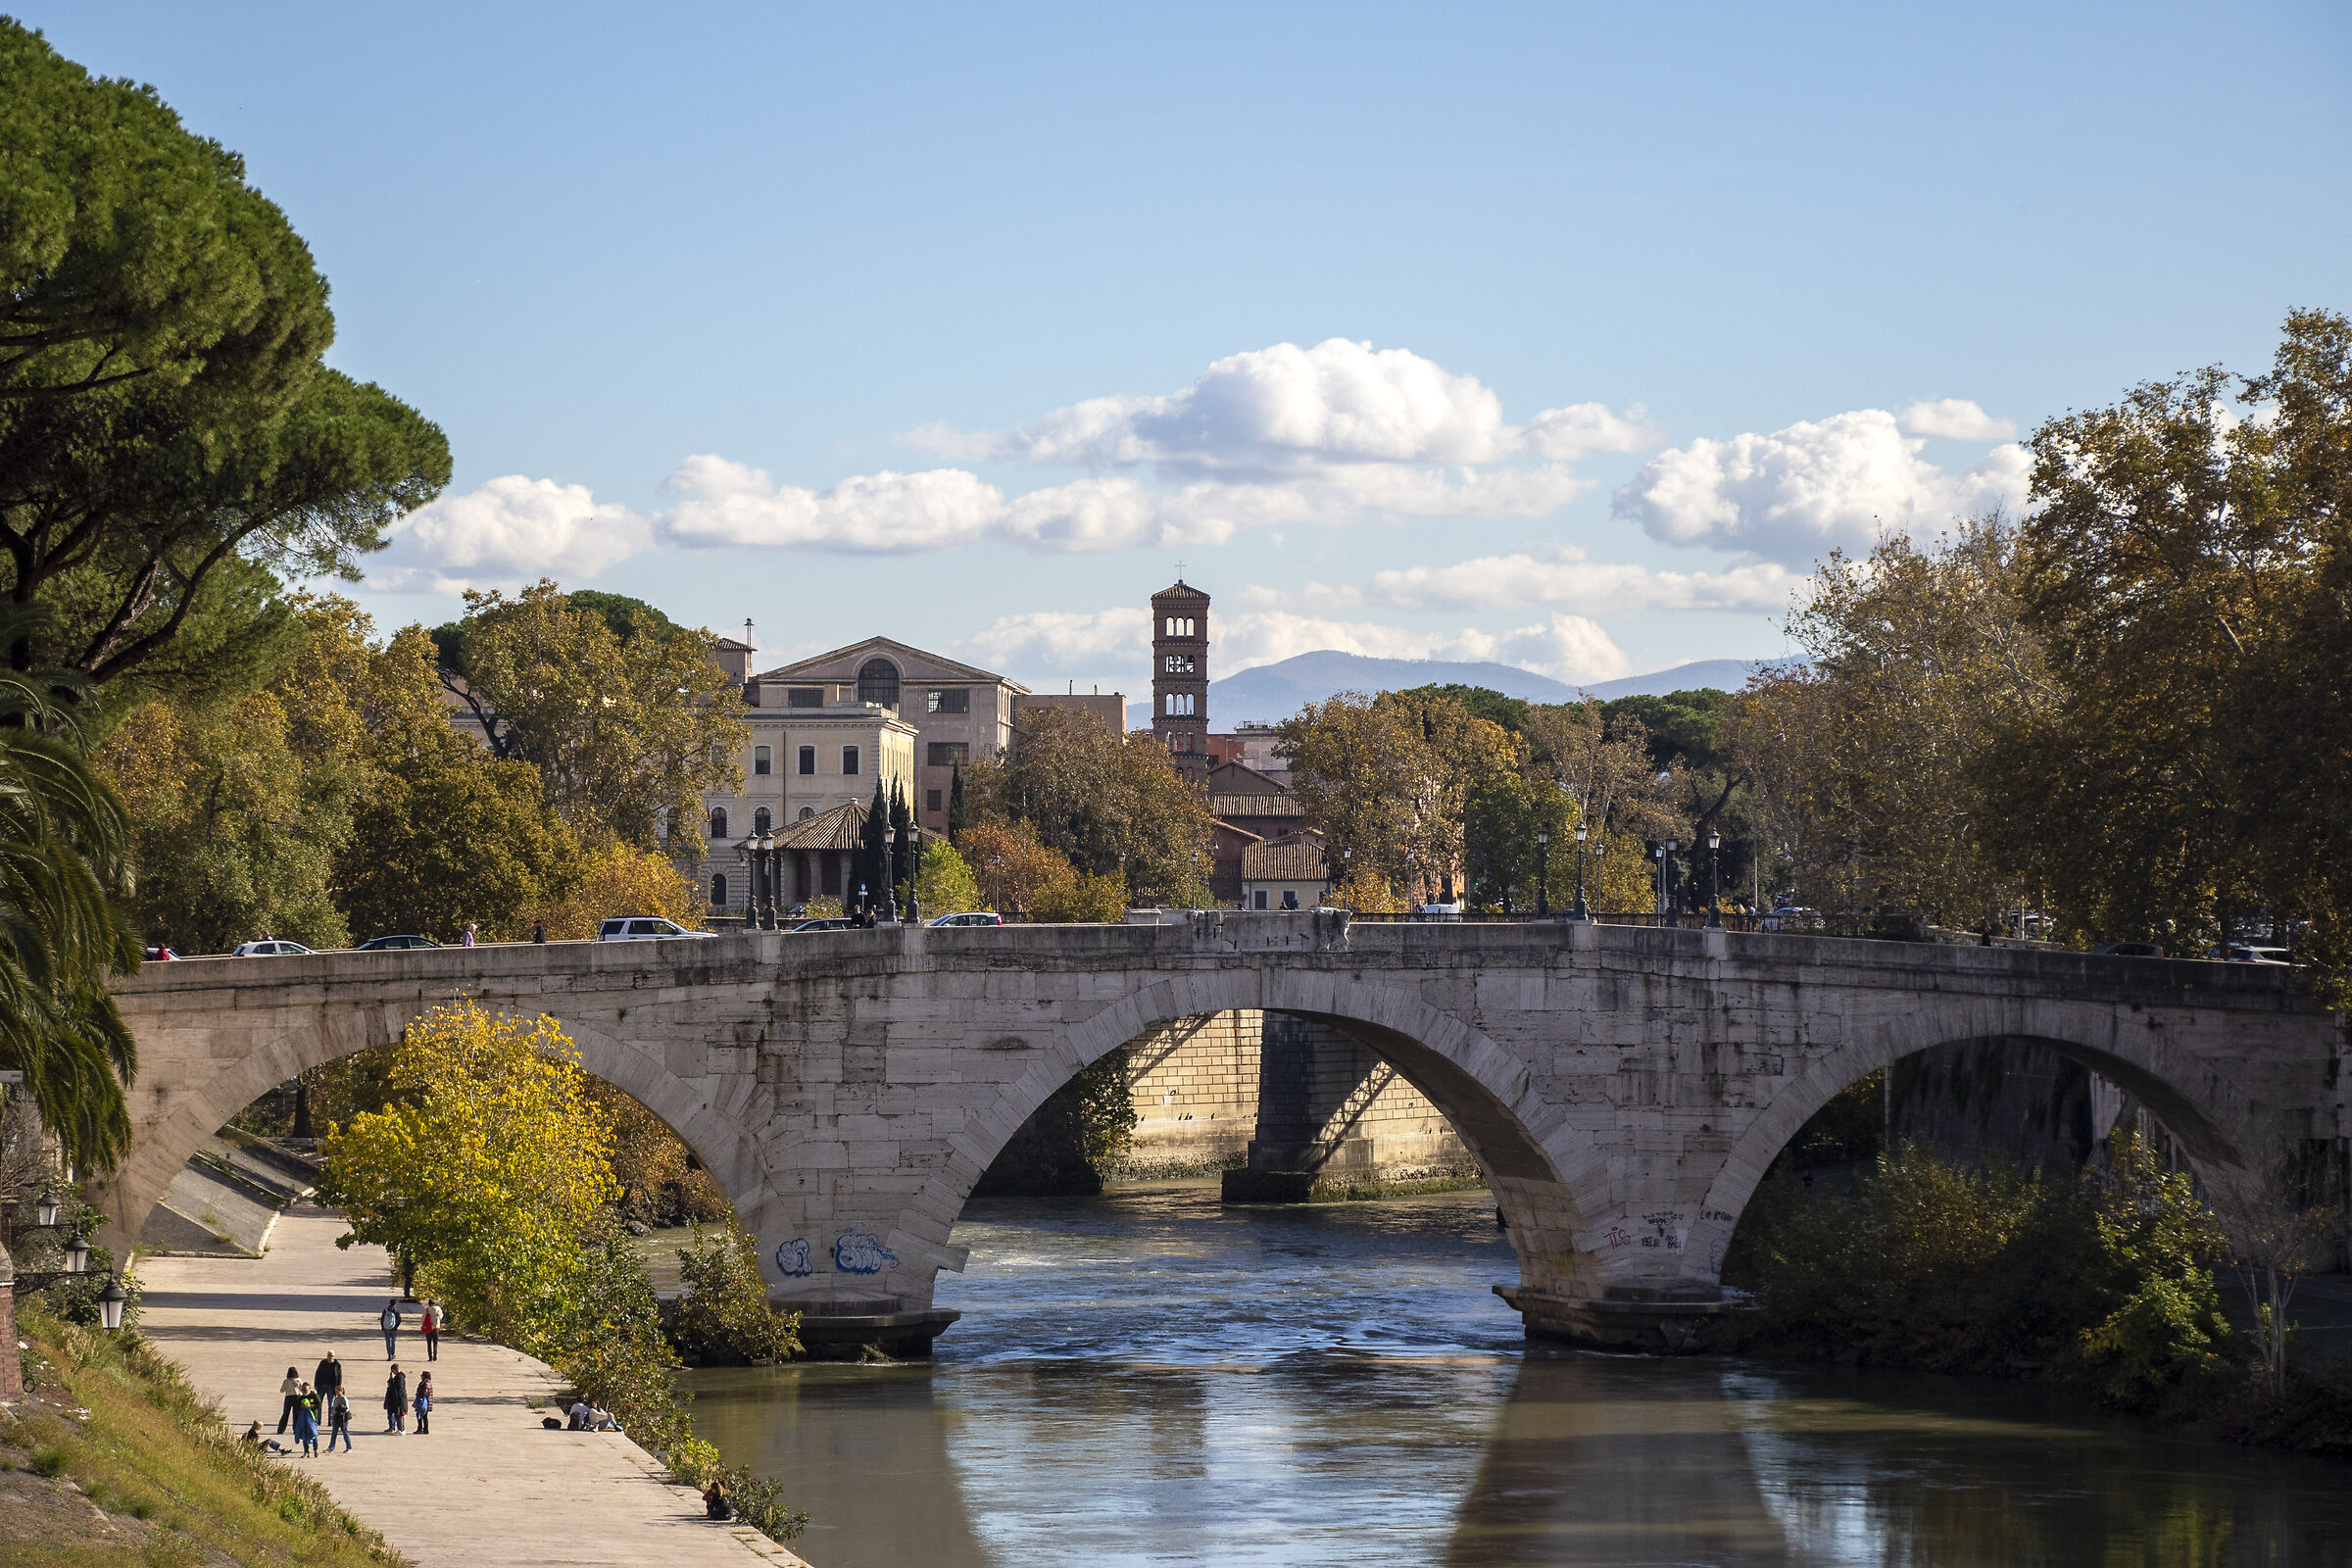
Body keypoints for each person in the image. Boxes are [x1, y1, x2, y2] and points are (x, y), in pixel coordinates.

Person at [292, 1383, 319, 1457]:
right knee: (304, 1434)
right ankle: (306, 1451)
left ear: (309, 1388)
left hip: (312, 1418)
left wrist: (311, 1406)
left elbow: (319, 1404)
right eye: (303, 1389)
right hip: (303, 1418)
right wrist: (302, 1406)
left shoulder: (314, 1396)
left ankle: (315, 1450)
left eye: (305, 1389)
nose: (304, 1390)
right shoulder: (300, 1397)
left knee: (313, 1433)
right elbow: (297, 1407)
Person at [275, 1365, 304, 1434]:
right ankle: (296, 1430)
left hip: (288, 1397)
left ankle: (281, 1430)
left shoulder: (286, 1381)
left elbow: (282, 1390)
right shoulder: (299, 1380)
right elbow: (302, 1389)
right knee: (296, 1415)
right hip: (297, 1397)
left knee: (285, 1414)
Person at [326, 1388, 353, 1452]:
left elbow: (346, 1408)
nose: (336, 1392)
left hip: (343, 1417)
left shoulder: (344, 1398)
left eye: (337, 1391)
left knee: (345, 1432)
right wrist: (332, 1418)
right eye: (335, 1391)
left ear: (341, 1391)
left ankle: (349, 1448)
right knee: (334, 1433)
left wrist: (339, 1409)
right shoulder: (336, 1398)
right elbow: (333, 1409)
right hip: (336, 1417)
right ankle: (331, 1448)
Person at [384, 1364, 409, 1434]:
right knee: (399, 1415)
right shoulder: (400, 1377)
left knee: (399, 1415)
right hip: (400, 1399)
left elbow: (397, 1388)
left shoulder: (399, 1377)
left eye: (393, 1371)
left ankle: (400, 1429)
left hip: (399, 1399)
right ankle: (401, 1429)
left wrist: (391, 1381)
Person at [414, 1371, 433, 1436]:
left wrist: (419, 1396)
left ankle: (420, 1428)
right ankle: (425, 1429)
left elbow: (424, 1392)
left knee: (420, 1415)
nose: (421, 1376)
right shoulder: (429, 1383)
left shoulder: (425, 1383)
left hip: (423, 1402)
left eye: (422, 1375)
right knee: (425, 1416)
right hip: (427, 1402)